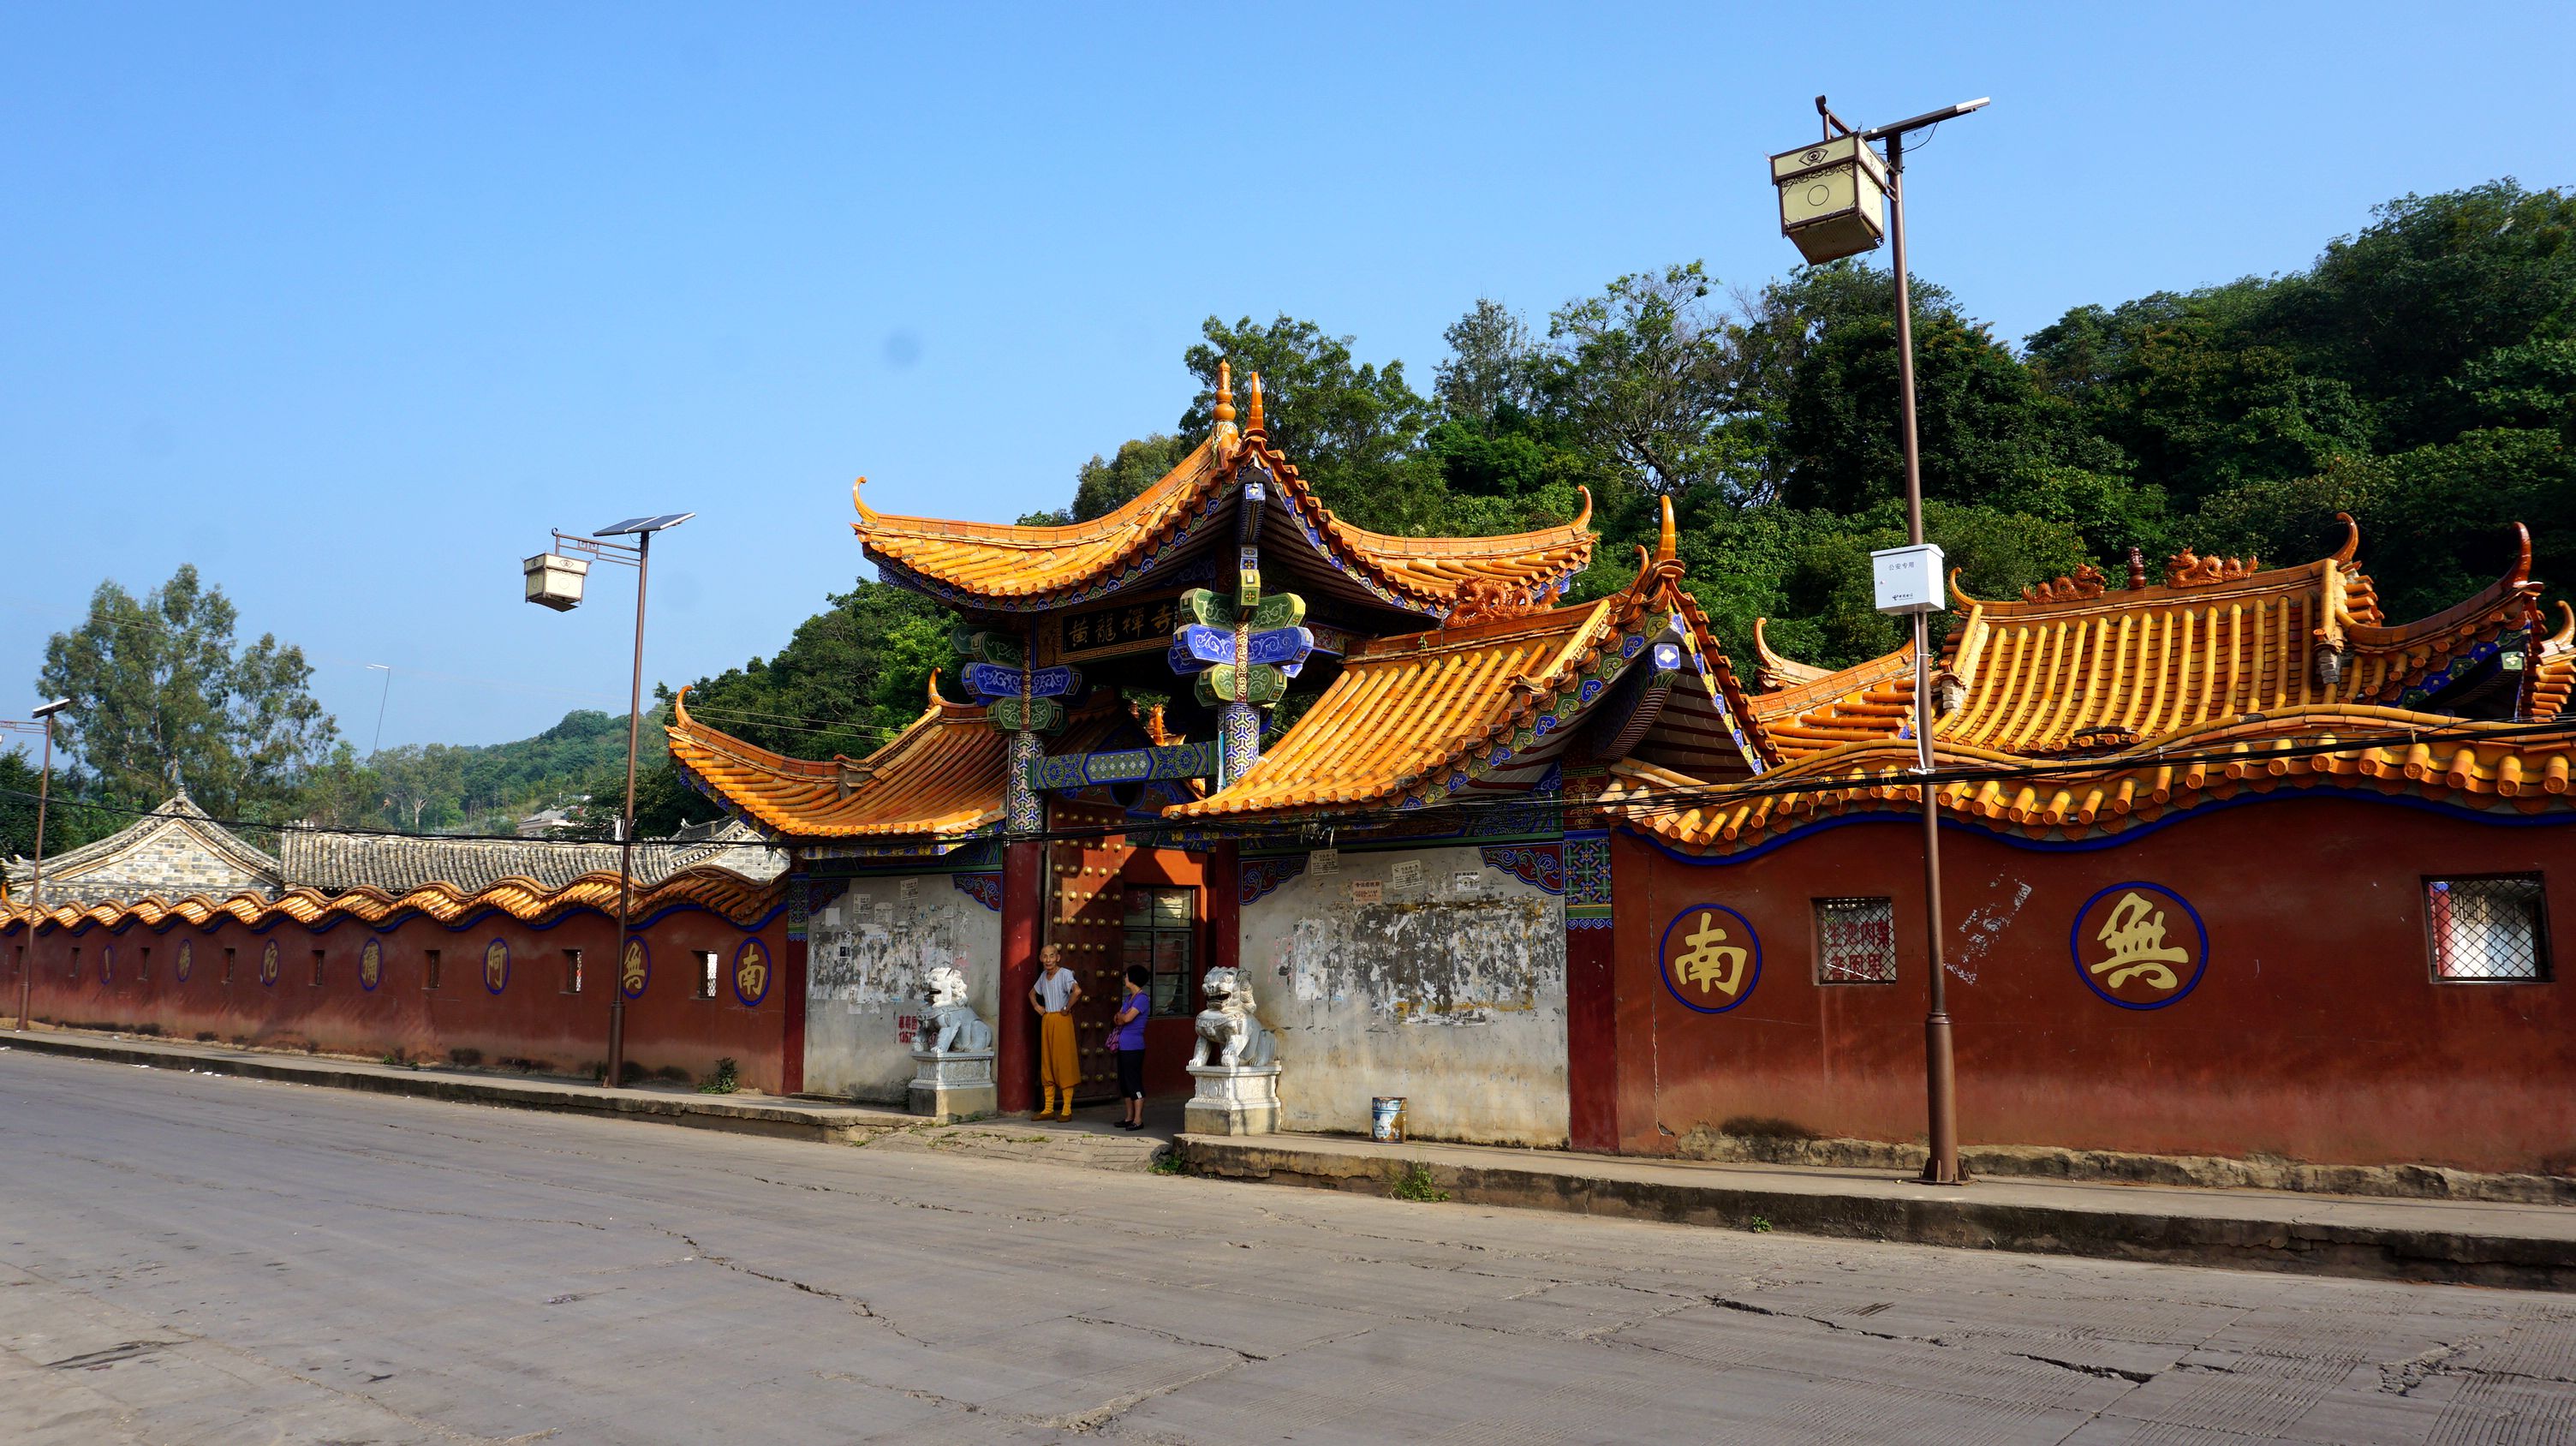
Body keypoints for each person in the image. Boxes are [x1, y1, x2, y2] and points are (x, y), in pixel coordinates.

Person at [1028, 943, 1082, 1120]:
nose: (1048, 960)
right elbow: (1031, 994)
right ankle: (1048, 1108)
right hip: (1048, 1019)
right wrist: (1037, 1007)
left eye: (1052, 956)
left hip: (1061, 1019)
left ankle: (1066, 1109)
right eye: (1045, 956)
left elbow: (1077, 991)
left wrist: (1067, 1007)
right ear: (1041, 959)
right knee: (1048, 1061)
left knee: (1063, 1061)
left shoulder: (1065, 974)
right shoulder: (1044, 976)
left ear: (1058, 958)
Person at [1110, 963, 1150, 1129]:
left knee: (1134, 1082)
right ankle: (1129, 1117)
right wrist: (1122, 1016)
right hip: (1123, 1045)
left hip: (1134, 1047)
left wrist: (1122, 1016)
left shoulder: (1142, 999)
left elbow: (1125, 1019)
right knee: (1125, 1084)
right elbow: (1116, 1018)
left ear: (1133, 978)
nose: (1125, 978)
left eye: (1127, 975)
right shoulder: (1129, 998)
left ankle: (1138, 1119)